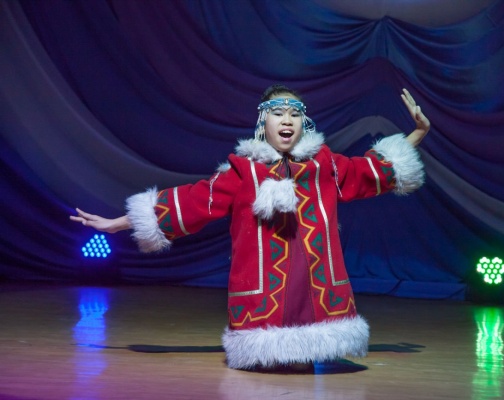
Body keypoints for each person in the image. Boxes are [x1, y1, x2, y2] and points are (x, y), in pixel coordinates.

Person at [71, 84, 430, 371]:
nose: (287, 120)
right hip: (263, 300)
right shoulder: (243, 172)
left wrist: (418, 132)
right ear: (264, 122)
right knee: (269, 365)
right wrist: (120, 222)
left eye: (294, 114)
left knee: (302, 363)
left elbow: (374, 170)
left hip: (314, 291)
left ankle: (303, 350)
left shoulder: (325, 166)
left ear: (304, 123)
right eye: (278, 113)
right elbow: (193, 202)